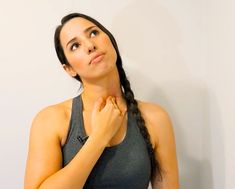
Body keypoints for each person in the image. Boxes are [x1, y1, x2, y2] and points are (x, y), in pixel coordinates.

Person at [24, 13, 179, 189]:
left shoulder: (156, 118)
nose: (90, 45)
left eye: (93, 33)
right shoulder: (50, 120)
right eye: (75, 46)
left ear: (111, 41)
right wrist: (100, 137)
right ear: (69, 69)